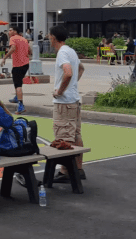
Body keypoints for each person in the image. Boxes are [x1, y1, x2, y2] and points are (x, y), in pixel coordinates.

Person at [48, 25, 86, 183]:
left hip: (64, 102)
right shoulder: (70, 51)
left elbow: (68, 72)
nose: (48, 38)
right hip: (74, 100)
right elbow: (81, 68)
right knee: (75, 134)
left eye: (49, 36)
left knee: (64, 136)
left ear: (53, 38)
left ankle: (66, 172)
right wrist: (71, 87)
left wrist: (60, 90)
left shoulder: (62, 52)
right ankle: (78, 168)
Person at [2, 25, 31, 114]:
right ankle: (16, 97)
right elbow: (29, 51)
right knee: (19, 81)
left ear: (15, 31)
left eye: (10, 30)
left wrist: (5, 57)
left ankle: (21, 105)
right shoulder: (24, 39)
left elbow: (13, 48)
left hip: (18, 65)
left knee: (18, 84)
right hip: (26, 64)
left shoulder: (13, 38)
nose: (9, 32)